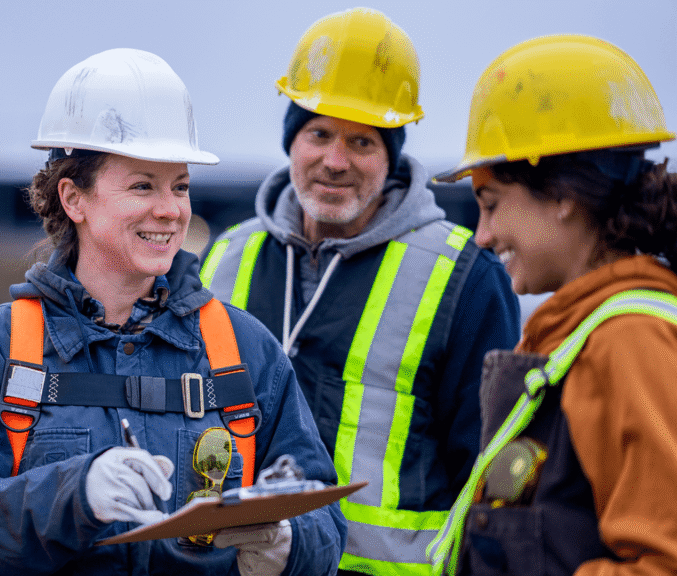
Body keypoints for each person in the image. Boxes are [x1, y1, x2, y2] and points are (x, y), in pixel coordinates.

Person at [0, 47, 348, 575]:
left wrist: (287, 544)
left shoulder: (244, 350)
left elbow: (322, 514)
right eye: (143, 185)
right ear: (74, 199)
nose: (171, 209)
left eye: (180, 186)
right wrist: (75, 494)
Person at [199, 8, 520, 575]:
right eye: (318, 134)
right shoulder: (226, 258)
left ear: (391, 155)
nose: (336, 161)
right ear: (291, 142)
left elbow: (491, 477)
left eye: (362, 142)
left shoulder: (465, 277)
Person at [427, 35, 677, 576]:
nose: (482, 236)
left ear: (564, 195)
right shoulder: (576, 333)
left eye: (491, 205)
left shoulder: (630, 340)